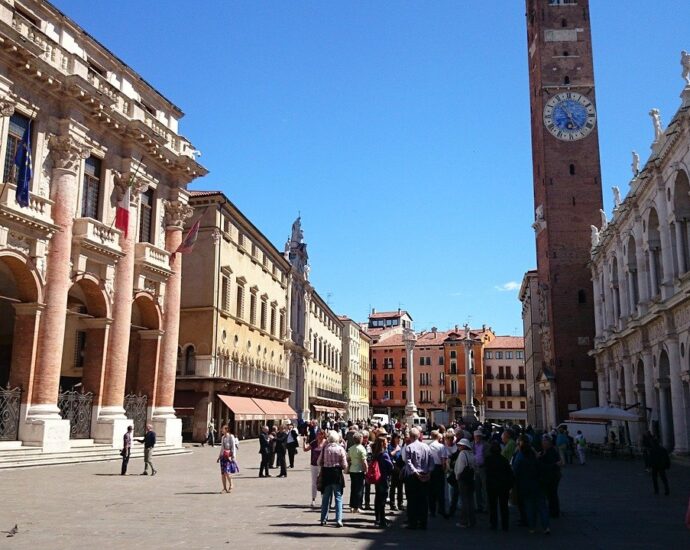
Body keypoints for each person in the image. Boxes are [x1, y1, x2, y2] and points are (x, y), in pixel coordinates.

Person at [513, 436, 550, 534]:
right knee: (542, 507)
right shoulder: (536, 460)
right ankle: (546, 527)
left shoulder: (520, 460)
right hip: (538, 485)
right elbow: (543, 470)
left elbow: (515, 472)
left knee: (529, 507)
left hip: (526, 486)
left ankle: (532, 527)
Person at [402, 427, 433, 530]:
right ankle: (423, 522)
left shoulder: (409, 447)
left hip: (413, 477)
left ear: (410, 437)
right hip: (425, 475)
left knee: (412, 500)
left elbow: (408, 462)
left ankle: (413, 522)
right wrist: (429, 472)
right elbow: (431, 461)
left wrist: (415, 472)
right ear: (419, 435)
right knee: (423, 500)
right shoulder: (426, 447)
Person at [318, 430, 348, 527]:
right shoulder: (340, 449)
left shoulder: (325, 448)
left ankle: (323, 519)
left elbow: (319, 462)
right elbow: (344, 465)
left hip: (327, 473)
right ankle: (338, 519)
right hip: (336, 474)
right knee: (338, 497)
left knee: (326, 497)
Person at [485, 441, 514, 531]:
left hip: (492, 486)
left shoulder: (488, 460)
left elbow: (487, 473)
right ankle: (505, 525)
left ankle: (493, 523)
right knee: (504, 506)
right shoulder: (504, 460)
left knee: (493, 506)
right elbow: (509, 473)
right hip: (503, 486)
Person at [372, 435, 394, 527]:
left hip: (377, 478)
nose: (387, 443)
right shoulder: (384, 454)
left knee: (378, 498)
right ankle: (382, 521)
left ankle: (378, 518)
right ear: (382, 444)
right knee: (382, 500)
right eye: (386, 442)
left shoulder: (375, 454)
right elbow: (391, 466)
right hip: (383, 478)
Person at [454, 438, 476, 528]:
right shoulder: (471, 454)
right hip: (471, 479)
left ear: (464, 446)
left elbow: (459, 468)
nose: (458, 446)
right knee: (471, 500)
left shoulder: (462, 454)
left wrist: (457, 476)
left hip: (463, 480)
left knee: (464, 500)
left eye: (460, 445)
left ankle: (464, 521)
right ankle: (472, 520)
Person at [539, 433, 562, 518]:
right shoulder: (547, 451)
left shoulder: (551, 452)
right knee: (551, 495)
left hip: (552, 476)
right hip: (552, 475)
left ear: (548, 443)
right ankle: (553, 511)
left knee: (552, 494)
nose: (542, 443)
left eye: (544, 442)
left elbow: (551, 465)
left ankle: (554, 512)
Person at [304, 428, 326, 507]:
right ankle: (313, 499)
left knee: (323, 482)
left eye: (321, 434)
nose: (319, 436)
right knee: (314, 482)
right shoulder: (314, 443)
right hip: (313, 464)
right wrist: (304, 442)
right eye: (318, 434)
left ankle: (324, 499)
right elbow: (305, 449)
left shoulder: (325, 443)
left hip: (322, 465)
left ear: (323, 435)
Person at [427, 430, 446, 518]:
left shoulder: (429, 446)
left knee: (431, 490)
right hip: (438, 468)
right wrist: (444, 469)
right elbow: (443, 460)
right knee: (440, 490)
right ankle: (441, 509)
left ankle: (432, 510)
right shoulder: (441, 446)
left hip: (431, 468)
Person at [347, 432, 368, 513]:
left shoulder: (351, 448)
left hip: (352, 470)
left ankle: (352, 506)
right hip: (359, 470)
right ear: (360, 439)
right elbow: (364, 461)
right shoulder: (362, 448)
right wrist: (366, 470)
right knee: (359, 489)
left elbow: (348, 459)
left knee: (353, 488)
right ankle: (357, 506)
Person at [217, 424, 239, 493]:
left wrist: (233, 457)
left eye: (222, 429)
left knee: (227, 472)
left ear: (226, 429)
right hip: (223, 456)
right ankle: (224, 488)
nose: (221, 430)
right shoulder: (223, 437)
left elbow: (233, 447)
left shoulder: (231, 436)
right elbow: (222, 448)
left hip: (229, 456)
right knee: (223, 473)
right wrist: (219, 457)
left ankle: (231, 484)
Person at [472, 429, 489, 513]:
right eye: (476, 436)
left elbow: (488, 457)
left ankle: (486, 507)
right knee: (477, 488)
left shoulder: (486, 445)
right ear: (474, 437)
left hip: (483, 468)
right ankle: (479, 506)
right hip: (475, 469)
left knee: (485, 488)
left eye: (479, 436)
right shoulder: (472, 445)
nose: (478, 437)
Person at [388, 432, 405, 511]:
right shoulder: (390, 446)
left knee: (400, 487)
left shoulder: (401, 447)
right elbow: (389, 455)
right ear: (394, 438)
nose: (399, 440)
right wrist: (396, 450)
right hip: (393, 469)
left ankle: (400, 503)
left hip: (400, 468)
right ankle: (392, 503)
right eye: (397, 438)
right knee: (393, 487)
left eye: (399, 438)